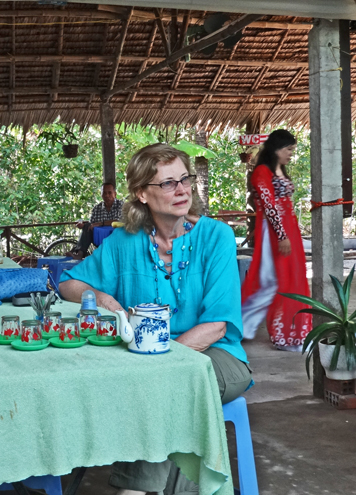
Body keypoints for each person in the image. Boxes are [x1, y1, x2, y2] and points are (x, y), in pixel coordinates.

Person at [59, 143, 252, 495]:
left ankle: (132, 491)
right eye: (167, 183)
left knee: (173, 386)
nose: (181, 190)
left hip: (219, 357)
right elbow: (68, 283)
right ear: (141, 194)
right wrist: (100, 297)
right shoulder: (124, 242)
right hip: (152, 365)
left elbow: (218, 325)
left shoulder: (215, 237)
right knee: (167, 393)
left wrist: (162, 365)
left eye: (185, 179)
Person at [241, 129, 311, 351]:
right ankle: (282, 335)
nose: (291, 154)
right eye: (289, 149)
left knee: (294, 278)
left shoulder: (279, 170)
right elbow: (269, 206)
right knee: (278, 280)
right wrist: (282, 236)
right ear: (277, 149)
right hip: (274, 233)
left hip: (289, 231)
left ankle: (297, 335)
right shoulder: (261, 172)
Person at [69, 182, 124, 258]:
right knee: (87, 226)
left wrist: (101, 223)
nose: (107, 195)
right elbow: (91, 225)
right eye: (104, 193)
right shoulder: (97, 208)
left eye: (109, 193)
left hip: (116, 239)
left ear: (115, 194)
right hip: (100, 239)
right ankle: (79, 254)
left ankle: (76, 252)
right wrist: (83, 226)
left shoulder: (121, 205)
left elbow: (119, 221)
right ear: (101, 194)